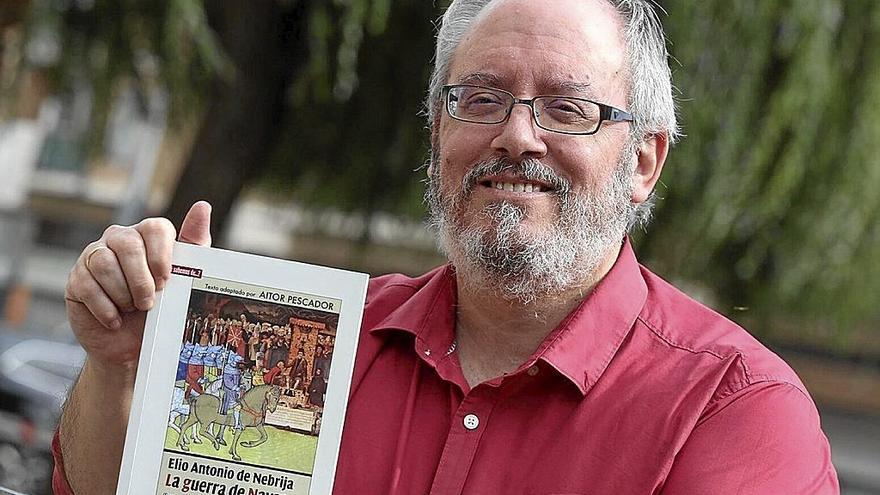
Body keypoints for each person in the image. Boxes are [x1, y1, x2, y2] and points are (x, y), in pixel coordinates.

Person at [53, 0, 839, 493]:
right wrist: (121, 366)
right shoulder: (312, 342)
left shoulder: (733, 413)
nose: (516, 134)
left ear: (643, 161)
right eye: (482, 98)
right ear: (438, 133)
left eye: (568, 107)